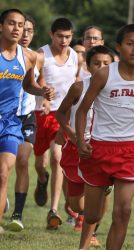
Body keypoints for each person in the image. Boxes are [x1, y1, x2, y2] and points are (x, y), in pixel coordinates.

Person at [75, 24, 134, 250]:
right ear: (118, 47)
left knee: (123, 212)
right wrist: (80, 141)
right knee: (91, 216)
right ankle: (103, 187)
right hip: (98, 149)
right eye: (130, 43)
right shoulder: (104, 75)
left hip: (128, 151)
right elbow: (83, 110)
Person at [0, 8, 53, 233]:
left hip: (11, 122)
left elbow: (28, 85)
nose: (16, 29)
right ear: (1, 26)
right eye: (11, 23)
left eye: (20, 25)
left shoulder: (29, 57)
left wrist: (42, 90)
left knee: (4, 172)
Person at [56, 45, 115, 248]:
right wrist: (70, 133)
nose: (101, 67)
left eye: (106, 63)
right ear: (88, 66)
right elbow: (61, 113)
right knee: (76, 204)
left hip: (101, 149)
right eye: (96, 63)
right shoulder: (79, 88)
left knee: (95, 202)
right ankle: (78, 210)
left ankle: (92, 233)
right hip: (74, 149)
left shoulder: (115, 91)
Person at [33, 17, 80, 230]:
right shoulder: (41, 55)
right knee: (40, 164)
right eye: (60, 36)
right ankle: (42, 180)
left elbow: (76, 81)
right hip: (42, 113)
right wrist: (44, 95)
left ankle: (54, 211)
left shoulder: (75, 57)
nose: (64, 40)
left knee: (57, 157)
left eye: (68, 37)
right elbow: (37, 80)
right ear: (51, 35)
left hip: (63, 115)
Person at [7, 15, 45, 232]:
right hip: (5, 115)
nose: (24, 34)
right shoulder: (5, 55)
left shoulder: (36, 57)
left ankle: (18, 214)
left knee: (22, 161)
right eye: (22, 29)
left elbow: (40, 84)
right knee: (5, 166)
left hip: (27, 116)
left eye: (29, 30)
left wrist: (45, 95)